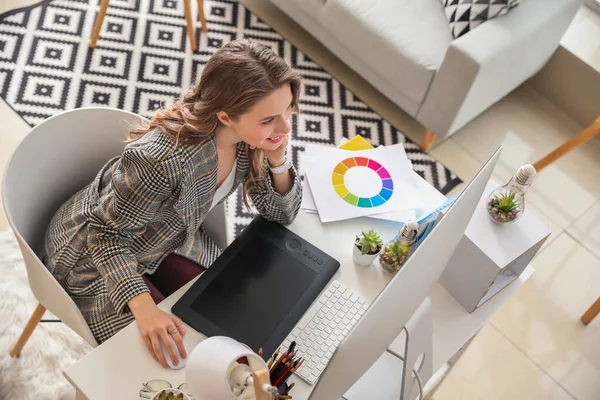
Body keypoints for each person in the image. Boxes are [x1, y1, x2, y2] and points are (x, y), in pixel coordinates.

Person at [43, 39, 303, 368]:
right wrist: (145, 308)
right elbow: (105, 234)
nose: (285, 127)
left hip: (163, 238)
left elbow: (283, 213)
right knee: (174, 360)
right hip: (89, 259)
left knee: (233, 311)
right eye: (269, 120)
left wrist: (278, 160)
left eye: (287, 110)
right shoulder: (161, 160)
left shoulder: (248, 140)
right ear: (226, 116)